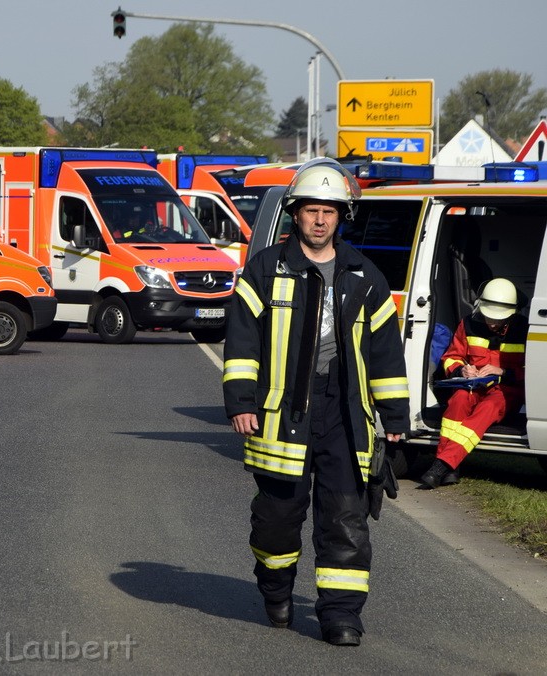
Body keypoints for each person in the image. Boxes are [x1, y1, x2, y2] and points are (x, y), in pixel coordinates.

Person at [222, 159, 408, 647]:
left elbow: (386, 353)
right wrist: (242, 400)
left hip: (345, 412)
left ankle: (341, 615)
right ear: (294, 214)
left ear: (341, 216)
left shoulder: (365, 277)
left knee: (345, 517)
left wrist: (394, 417)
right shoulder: (265, 270)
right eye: (311, 211)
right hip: (283, 412)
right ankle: (276, 588)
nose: (320, 220)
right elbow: (242, 341)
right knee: (277, 518)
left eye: (329, 211)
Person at [420, 278, 527, 489]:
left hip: (506, 391)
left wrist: (503, 371)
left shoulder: (525, 330)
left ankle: (442, 465)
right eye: (489, 317)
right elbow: (451, 357)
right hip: (473, 385)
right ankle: (452, 467)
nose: (492, 323)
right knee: (458, 400)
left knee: (488, 408)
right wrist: (462, 369)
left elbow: (533, 371)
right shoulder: (468, 323)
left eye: (498, 320)